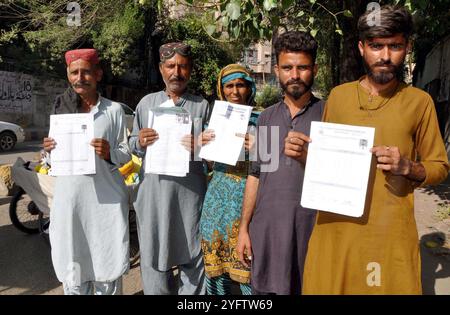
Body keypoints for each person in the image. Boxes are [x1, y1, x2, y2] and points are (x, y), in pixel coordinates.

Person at [302, 5, 449, 294]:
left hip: (388, 233)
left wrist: (409, 167)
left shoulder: (419, 102)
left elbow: (440, 167)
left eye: (394, 46)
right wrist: (304, 155)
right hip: (335, 229)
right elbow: (325, 163)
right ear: (361, 48)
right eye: (376, 46)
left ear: (407, 47)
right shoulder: (339, 96)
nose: (384, 56)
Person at [236, 31, 325, 295]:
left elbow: (342, 178)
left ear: (315, 69)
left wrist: (309, 157)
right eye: (287, 67)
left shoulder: (330, 114)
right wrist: (244, 229)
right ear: (276, 70)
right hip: (267, 233)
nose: (294, 75)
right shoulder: (265, 119)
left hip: (311, 234)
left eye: (303, 67)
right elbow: (255, 175)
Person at [43, 48, 131, 295]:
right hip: (70, 204)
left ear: (98, 74)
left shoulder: (113, 110)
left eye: (86, 72)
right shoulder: (61, 110)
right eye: (74, 72)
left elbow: (126, 153)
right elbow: (51, 162)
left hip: (105, 204)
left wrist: (109, 151)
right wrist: (49, 150)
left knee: (106, 266)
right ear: (68, 75)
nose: (80, 77)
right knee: (74, 265)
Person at [129, 42, 209, 295]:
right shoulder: (146, 103)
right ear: (161, 69)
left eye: (183, 66)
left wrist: (200, 146)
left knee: (193, 255)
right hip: (153, 196)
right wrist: (140, 141)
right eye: (171, 66)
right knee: (154, 256)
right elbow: (132, 144)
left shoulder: (201, 105)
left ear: (191, 70)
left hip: (190, 197)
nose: (177, 72)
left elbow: (213, 150)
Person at [200, 64, 258, 295]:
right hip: (216, 203)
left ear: (249, 88)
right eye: (229, 86)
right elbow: (207, 166)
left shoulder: (263, 120)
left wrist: (258, 148)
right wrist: (201, 145)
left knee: (247, 269)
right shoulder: (212, 122)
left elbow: (272, 165)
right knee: (215, 270)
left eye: (240, 85)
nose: (235, 91)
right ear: (221, 90)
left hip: (247, 201)